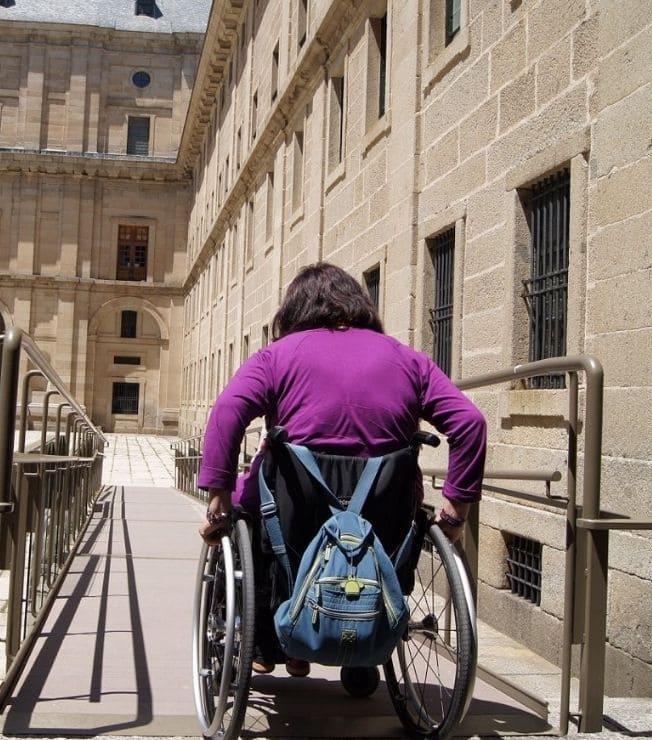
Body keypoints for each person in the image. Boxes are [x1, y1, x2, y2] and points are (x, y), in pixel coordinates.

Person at [196, 262, 487, 677]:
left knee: (248, 512)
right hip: (386, 511)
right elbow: (471, 422)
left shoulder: (277, 356)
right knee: (392, 528)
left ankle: (265, 639)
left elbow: (227, 411)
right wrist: (456, 513)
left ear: (294, 310)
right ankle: (367, 637)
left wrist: (218, 499)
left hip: (293, 513)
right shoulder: (409, 360)